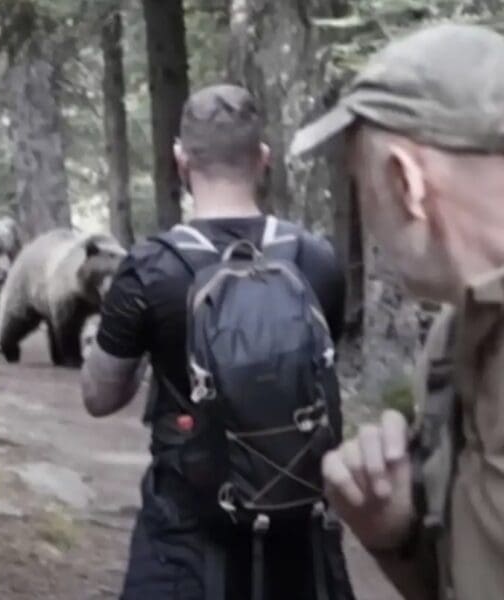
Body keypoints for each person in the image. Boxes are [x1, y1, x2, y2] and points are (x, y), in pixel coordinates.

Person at [82, 84, 355, 599]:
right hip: (298, 540)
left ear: (181, 162)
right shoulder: (316, 260)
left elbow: (99, 398)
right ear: (264, 159)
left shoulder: (150, 268)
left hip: (186, 539)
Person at [290, 22, 504, 600]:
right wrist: (398, 533)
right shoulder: (455, 347)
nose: (366, 222)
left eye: (360, 186)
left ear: (406, 183)